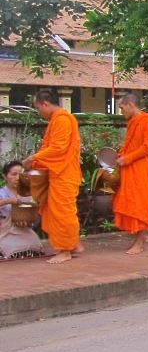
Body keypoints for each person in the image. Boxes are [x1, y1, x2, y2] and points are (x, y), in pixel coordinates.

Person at [21, 90, 82, 264]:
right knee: (56, 210)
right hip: (57, 172)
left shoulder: (62, 119)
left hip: (64, 173)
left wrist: (33, 158)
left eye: (37, 107)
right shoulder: (57, 119)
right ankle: (73, 243)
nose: (38, 111)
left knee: (62, 212)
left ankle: (65, 250)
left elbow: (58, 149)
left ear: (45, 103)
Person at [112, 94, 148, 255]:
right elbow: (130, 145)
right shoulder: (132, 122)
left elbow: (147, 147)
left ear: (131, 105)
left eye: (122, 108)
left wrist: (127, 158)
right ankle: (142, 236)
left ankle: (139, 242)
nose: (121, 111)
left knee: (141, 205)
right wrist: (122, 157)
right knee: (131, 203)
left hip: (144, 169)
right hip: (132, 168)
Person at [0, 161, 44, 259]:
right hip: (4, 229)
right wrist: (8, 201)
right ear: (5, 176)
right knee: (11, 247)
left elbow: (33, 212)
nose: (17, 178)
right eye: (13, 174)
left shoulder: (26, 193)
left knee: (35, 246)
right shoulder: (1, 193)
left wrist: (26, 221)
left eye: (20, 175)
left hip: (22, 228)